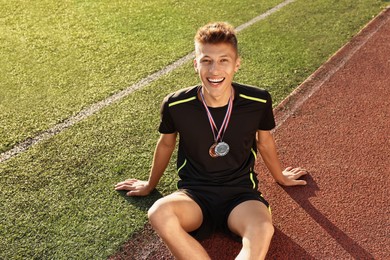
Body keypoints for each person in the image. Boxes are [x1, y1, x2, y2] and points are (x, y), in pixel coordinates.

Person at [115, 22, 307, 260]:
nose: (214, 70)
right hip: (194, 195)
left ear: (237, 64)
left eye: (223, 60)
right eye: (206, 60)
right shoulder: (176, 104)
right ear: (196, 64)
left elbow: (265, 142)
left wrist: (281, 178)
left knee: (263, 229)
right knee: (158, 212)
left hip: (241, 195)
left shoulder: (257, 101)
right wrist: (149, 185)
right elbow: (166, 144)